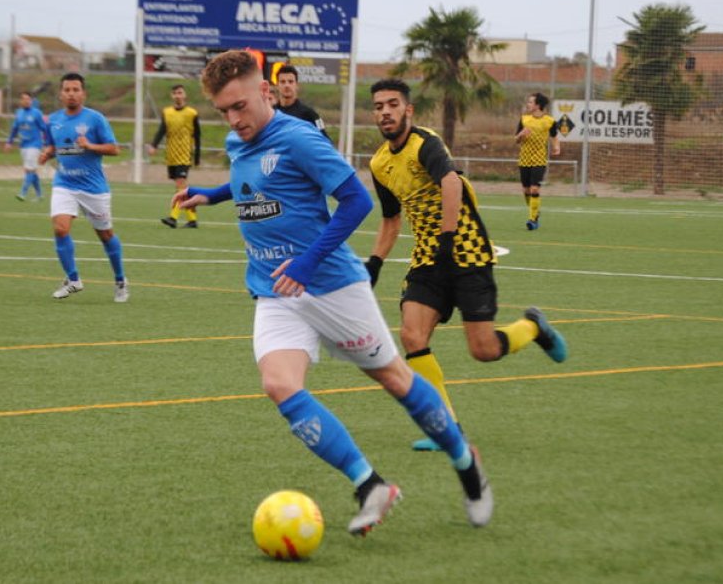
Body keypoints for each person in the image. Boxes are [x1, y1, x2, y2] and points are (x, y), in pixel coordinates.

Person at [174, 50, 492, 534]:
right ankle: (370, 485)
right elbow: (249, 183)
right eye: (224, 111)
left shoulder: (300, 138)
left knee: (393, 378)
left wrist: (306, 263)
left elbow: (355, 202)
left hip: (331, 286)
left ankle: (465, 461)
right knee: (280, 384)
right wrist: (209, 194)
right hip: (275, 291)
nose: (234, 119)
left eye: (240, 106)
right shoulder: (239, 143)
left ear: (264, 91)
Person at [363, 78, 569, 452]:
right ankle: (447, 430)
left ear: (408, 110)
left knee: (484, 349)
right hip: (427, 259)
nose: (385, 112)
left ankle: (532, 328)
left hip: (467, 251)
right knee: (412, 336)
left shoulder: (425, 143)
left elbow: (451, 183)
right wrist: (375, 262)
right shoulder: (379, 163)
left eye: (393, 104)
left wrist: (446, 239)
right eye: (379, 106)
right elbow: (391, 219)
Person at [40, 73, 129, 303]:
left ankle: (120, 280)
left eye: (76, 89)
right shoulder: (54, 121)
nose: (71, 93)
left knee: (105, 234)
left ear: (83, 93)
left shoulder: (95, 119)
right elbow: (53, 145)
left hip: (93, 188)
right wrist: (47, 153)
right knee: (60, 229)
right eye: (67, 89)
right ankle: (73, 279)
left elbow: (114, 149)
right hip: (64, 183)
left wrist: (89, 145)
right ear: (60, 94)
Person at [146, 84, 202, 228]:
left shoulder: (192, 113)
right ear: (172, 96)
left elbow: (197, 136)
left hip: (184, 156)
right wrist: (154, 145)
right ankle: (192, 219)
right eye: (175, 93)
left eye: (180, 92)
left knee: (180, 186)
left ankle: (173, 217)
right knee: (181, 189)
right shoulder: (167, 112)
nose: (177, 95)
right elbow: (161, 131)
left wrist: (197, 157)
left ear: (185, 95)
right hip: (171, 156)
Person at [514, 92, 562, 230]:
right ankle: (535, 211)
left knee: (535, 189)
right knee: (526, 190)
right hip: (524, 159)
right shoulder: (524, 120)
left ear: (538, 105)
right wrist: (520, 135)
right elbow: (516, 140)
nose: (528, 104)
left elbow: (554, 136)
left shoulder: (550, 121)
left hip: (539, 160)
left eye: (530, 102)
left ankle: (532, 220)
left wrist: (556, 147)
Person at [4, 90, 48, 201]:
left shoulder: (36, 113)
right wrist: (9, 142)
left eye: (28, 99)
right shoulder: (19, 113)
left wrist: (48, 143)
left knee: (29, 169)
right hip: (23, 145)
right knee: (31, 170)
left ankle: (23, 193)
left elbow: (44, 128)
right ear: (21, 101)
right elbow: (14, 129)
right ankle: (40, 195)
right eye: (24, 99)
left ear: (31, 101)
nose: (26, 101)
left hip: (35, 144)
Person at [273, 64, 328, 138]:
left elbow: (325, 140)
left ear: (297, 85)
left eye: (290, 81)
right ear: (277, 85)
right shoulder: (271, 114)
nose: (287, 85)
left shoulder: (310, 115)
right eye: (282, 82)